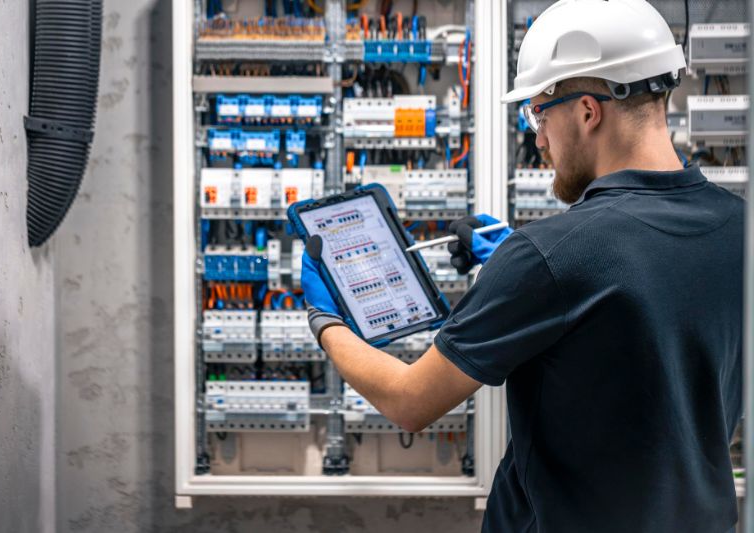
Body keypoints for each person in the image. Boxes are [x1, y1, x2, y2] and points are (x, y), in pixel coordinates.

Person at [301, 0, 745, 531]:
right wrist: (533, 269)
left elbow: (408, 400)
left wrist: (326, 320)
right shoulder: (739, 226)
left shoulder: (550, 255)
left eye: (539, 113)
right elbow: (645, 317)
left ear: (587, 111)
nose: (538, 140)